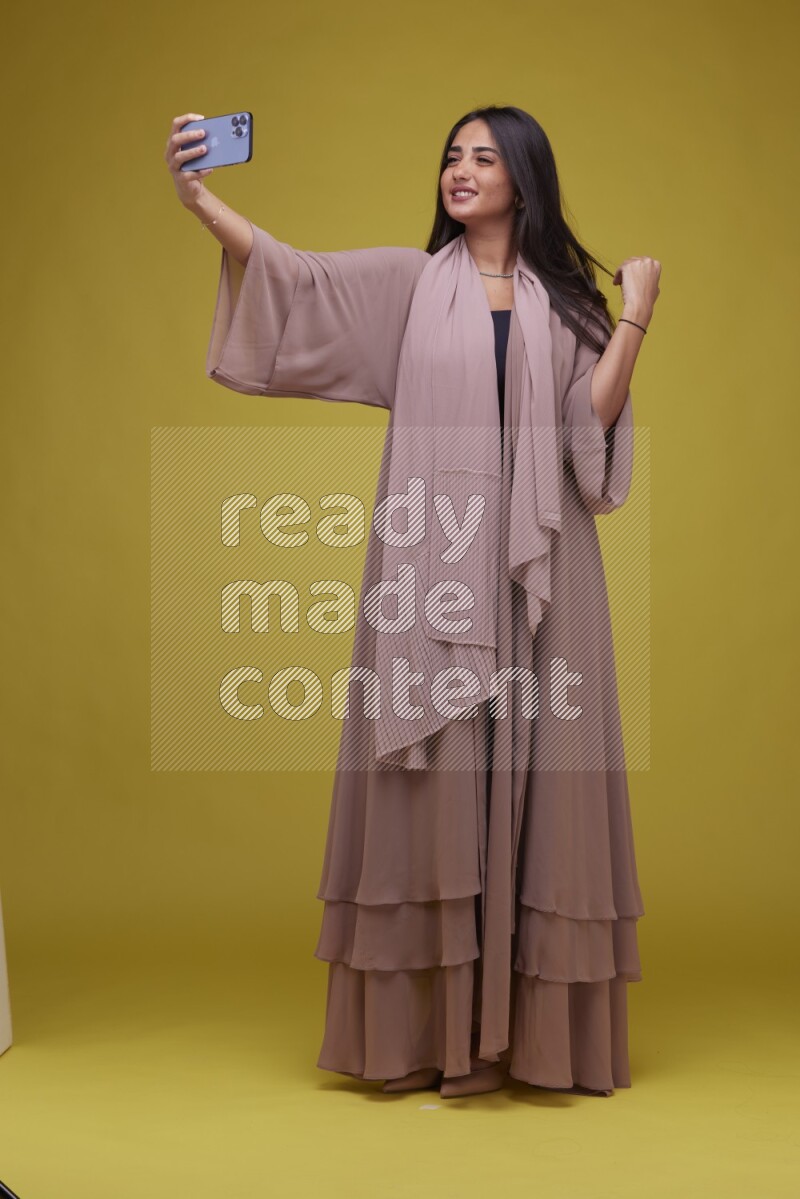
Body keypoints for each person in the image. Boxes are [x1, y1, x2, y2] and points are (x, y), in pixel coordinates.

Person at [165, 104, 660, 1100]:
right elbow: (292, 277)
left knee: (543, 790)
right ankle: (426, 1037)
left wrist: (636, 313)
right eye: (449, 155)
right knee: (425, 784)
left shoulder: (566, 304)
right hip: (429, 571)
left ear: (524, 179)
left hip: (545, 579)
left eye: (482, 156)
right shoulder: (406, 283)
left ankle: (525, 1041)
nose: (459, 170)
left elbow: (586, 436)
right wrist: (200, 198)